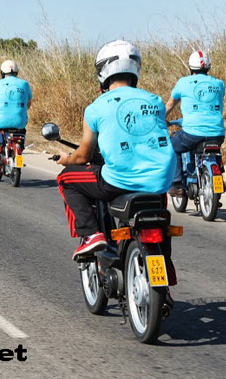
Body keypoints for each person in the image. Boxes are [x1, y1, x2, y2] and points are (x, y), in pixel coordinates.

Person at [56, 40, 175, 260]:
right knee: (160, 220)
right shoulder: (156, 102)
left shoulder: (96, 108)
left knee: (66, 179)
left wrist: (66, 160)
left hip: (118, 180)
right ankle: (165, 279)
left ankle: (90, 234)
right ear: (135, 69)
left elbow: (83, 155)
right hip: (160, 180)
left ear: (103, 72)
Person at [165, 51, 226, 196]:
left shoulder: (183, 83)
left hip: (192, 134)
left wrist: (160, 119)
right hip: (218, 133)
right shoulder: (219, 84)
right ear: (209, 67)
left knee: (171, 146)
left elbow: (169, 105)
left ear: (190, 68)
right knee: (214, 149)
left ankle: (177, 183)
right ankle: (218, 171)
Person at [0, 60, 32, 164]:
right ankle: (19, 148)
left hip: (1, 121)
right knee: (21, 132)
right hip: (20, 121)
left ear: (2, 73)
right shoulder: (24, 84)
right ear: (17, 72)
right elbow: (28, 102)